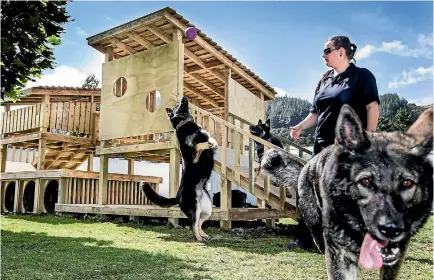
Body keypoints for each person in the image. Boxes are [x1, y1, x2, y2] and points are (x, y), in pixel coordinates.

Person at [289, 35, 380, 156]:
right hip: (320, 150)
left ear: (341, 52)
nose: (323, 56)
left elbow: (372, 108)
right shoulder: (323, 81)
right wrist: (300, 126)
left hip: (350, 150)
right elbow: (315, 114)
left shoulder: (362, 76)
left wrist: (368, 141)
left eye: (327, 51)